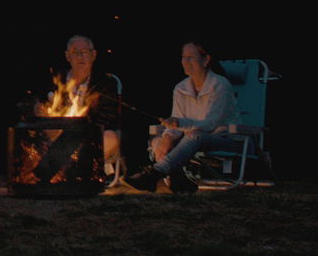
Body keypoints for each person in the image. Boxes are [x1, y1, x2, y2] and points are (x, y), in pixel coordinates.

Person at [125, 40, 242, 193]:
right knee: (158, 140)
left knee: (194, 136)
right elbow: (177, 124)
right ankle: (177, 178)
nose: (185, 62)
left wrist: (180, 123)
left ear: (205, 60)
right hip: (192, 140)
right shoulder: (181, 88)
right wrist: (167, 138)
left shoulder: (220, 85)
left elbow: (211, 124)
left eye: (190, 57)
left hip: (227, 139)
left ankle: (154, 173)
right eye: (183, 57)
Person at [36, 35, 122, 178]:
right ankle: (64, 172)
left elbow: (109, 117)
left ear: (93, 55)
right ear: (67, 56)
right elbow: (38, 101)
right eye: (76, 52)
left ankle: (61, 171)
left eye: (85, 52)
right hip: (57, 134)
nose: (81, 56)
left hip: (91, 134)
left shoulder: (105, 84)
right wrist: (38, 108)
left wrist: (82, 130)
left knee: (111, 137)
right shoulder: (56, 80)